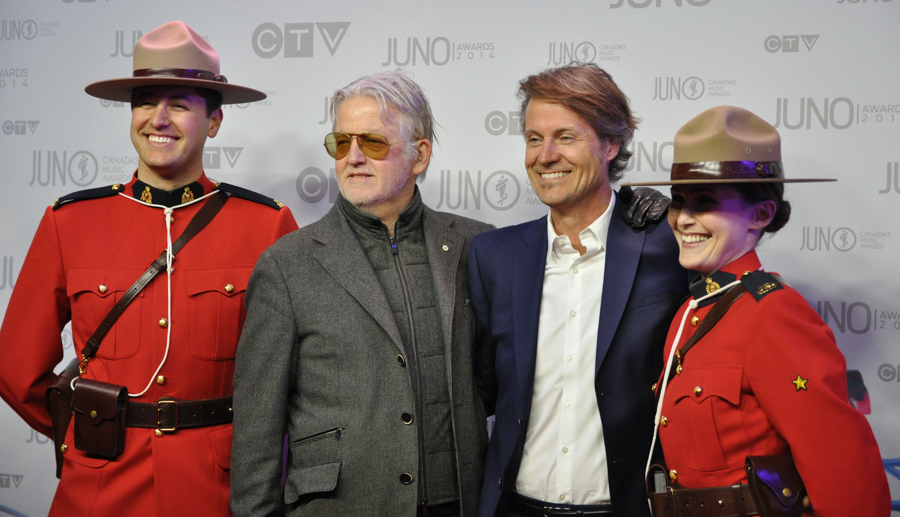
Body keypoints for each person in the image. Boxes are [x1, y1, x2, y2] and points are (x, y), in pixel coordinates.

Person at [0, 21, 298, 516]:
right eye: (144, 102)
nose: (157, 119)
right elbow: (15, 368)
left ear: (216, 121)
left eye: (179, 104)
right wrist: (86, 431)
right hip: (98, 484)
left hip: (220, 488)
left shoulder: (266, 225)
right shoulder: (68, 221)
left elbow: (301, 376)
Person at [230, 71, 493, 517]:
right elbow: (257, 429)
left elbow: (501, 379)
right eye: (340, 143)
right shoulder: (286, 264)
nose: (352, 157)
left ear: (420, 154)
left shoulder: (477, 246)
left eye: (372, 142)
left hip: (461, 503)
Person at [623, 105, 891, 517]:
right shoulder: (691, 312)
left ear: (760, 214)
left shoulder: (773, 314)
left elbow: (844, 471)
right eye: (679, 201)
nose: (684, 219)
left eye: (706, 201)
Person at [470, 63, 689, 517]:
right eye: (533, 139)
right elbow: (482, 390)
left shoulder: (670, 244)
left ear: (611, 144)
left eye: (565, 137)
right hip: (517, 507)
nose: (544, 155)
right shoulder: (493, 256)